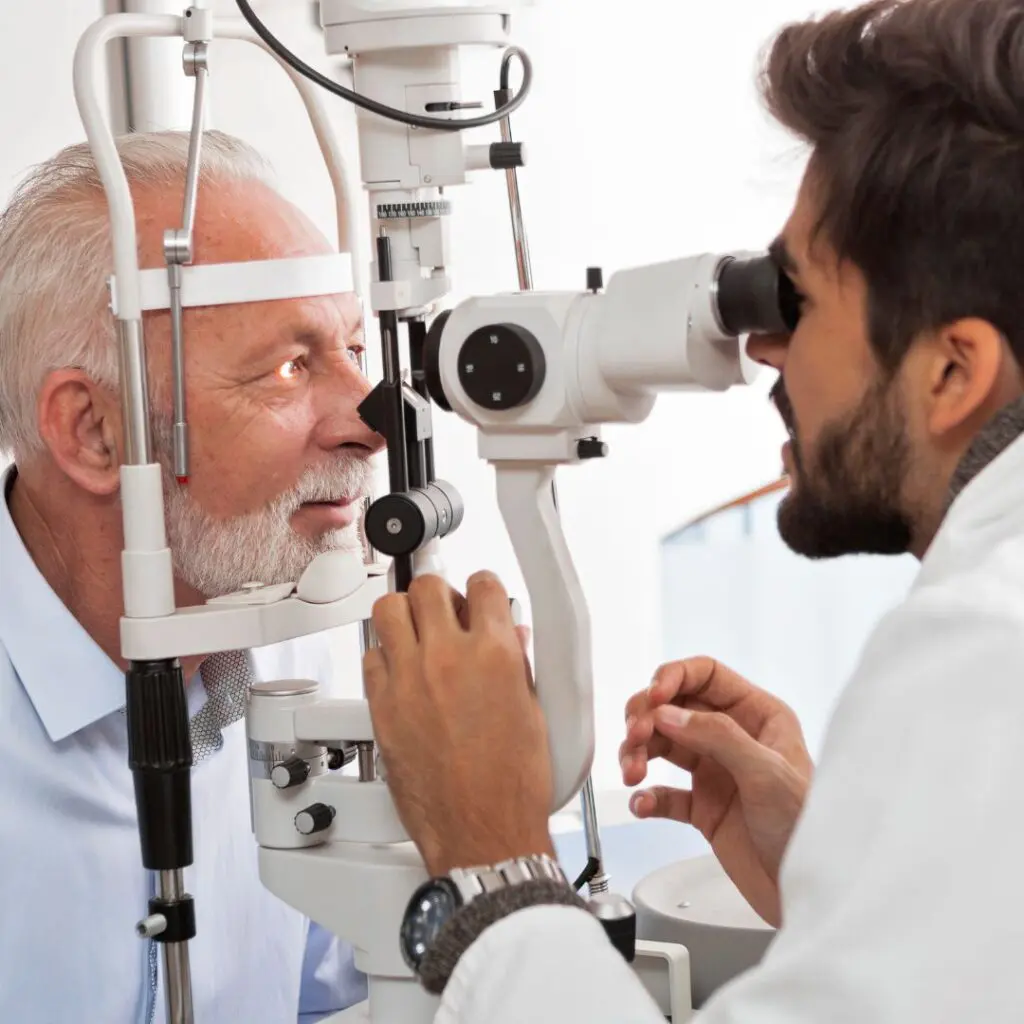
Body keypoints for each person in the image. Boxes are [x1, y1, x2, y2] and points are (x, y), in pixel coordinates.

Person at [362, 0, 1024, 1020]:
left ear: (952, 372)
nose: (761, 346)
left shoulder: (980, 655)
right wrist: (843, 868)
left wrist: (493, 866)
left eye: (795, 300)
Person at [0, 131, 383, 1022]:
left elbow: (329, 998)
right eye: (290, 368)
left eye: (354, 350)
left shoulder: (290, 657)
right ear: (95, 432)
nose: (369, 424)